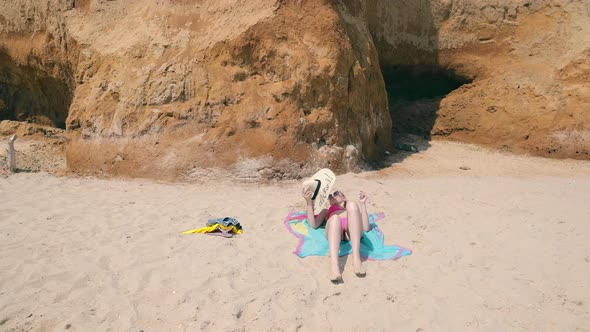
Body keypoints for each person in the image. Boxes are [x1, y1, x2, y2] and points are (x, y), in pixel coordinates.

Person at [302, 188, 371, 282]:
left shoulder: (350, 209)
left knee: (352, 204)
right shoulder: (326, 211)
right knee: (334, 218)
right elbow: (313, 225)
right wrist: (309, 202)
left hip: (352, 232)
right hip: (335, 230)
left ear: (344, 197)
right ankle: (334, 265)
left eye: (335, 193)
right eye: (329, 196)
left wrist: (362, 204)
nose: (332, 196)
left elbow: (366, 228)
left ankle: (356, 258)